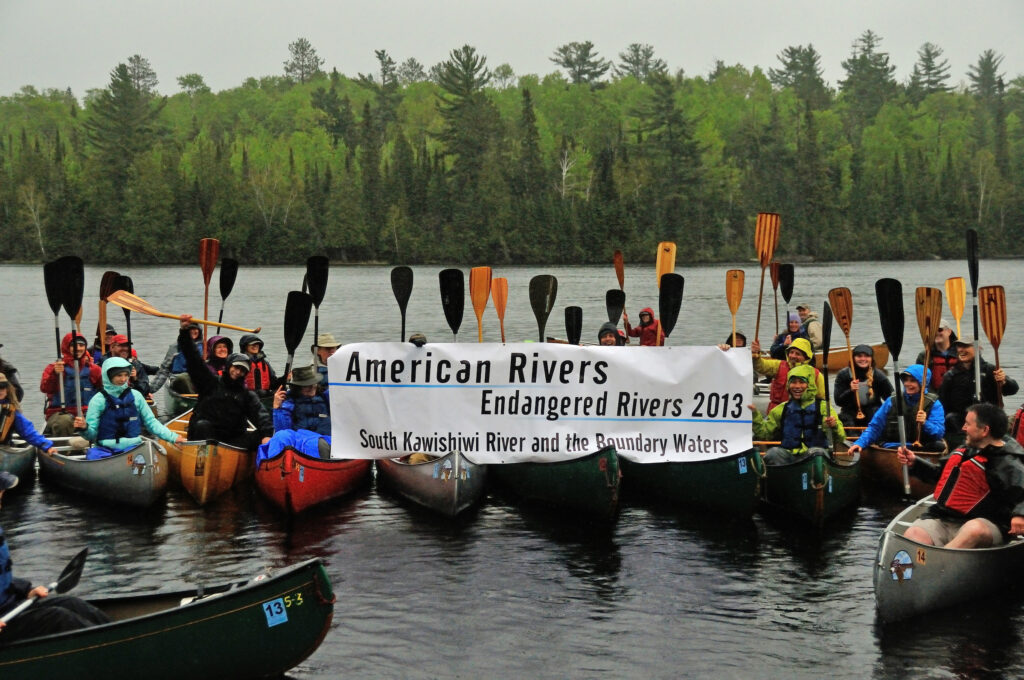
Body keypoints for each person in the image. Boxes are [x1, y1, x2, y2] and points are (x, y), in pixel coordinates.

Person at [0, 471, 110, 643]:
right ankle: (113, 649)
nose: (2, 498)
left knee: (70, 603)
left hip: (9, 606)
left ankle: (122, 637)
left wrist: (26, 589)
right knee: (59, 617)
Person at [896, 403, 1024, 548]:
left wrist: (1020, 515)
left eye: (968, 424)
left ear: (984, 430)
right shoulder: (964, 450)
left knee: (973, 530)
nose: (963, 428)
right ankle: (927, 565)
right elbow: (939, 475)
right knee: (913, 535)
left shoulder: (1008, 463)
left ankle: (943, 562)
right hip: (944, 518)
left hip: (986, 523)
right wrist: (914, 463)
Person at [178, 317, 272, 449]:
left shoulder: (246, 395)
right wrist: (184, 332)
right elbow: (193, 359)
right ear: (228, 366)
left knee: (260, 435)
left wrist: (266, 435)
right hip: (205, 439)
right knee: (202, 425)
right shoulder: (210, 383)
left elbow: (261, 415)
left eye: (242, 370)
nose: (238, 372)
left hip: (231, 442)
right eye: (236, 367)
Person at [71, 358, 180, 459]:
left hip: (134, 447)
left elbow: (151, 422)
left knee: (142, 455)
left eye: (126, 375)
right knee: (93, 456)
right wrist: (84, 428)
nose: (123, 379)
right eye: (118, 375)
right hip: (105, 449)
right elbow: (91, 435)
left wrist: (172, 437)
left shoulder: (136, 396)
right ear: (109, 376)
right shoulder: (98, 400)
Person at [750, 364, 845, 465]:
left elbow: (841, 437)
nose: (797, 386)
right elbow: (764, 433)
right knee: (773, 453)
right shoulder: (782, 409)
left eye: (801, 382)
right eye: (793, 382)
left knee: (818, 453)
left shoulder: (824, 408)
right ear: (788, 385)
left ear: (810, 385)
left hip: (816, 459)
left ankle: (817, 480)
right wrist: (755, 415)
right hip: (790, 458)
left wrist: (834, 426)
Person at [846, 365, 945, 455]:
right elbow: (875, 426)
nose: (907, 384)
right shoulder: (892, 400)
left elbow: (939, 433)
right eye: (905, 380)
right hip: (893, 447)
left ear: (922, 383)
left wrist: (925, 423)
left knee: (939, 446)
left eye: (912, 381)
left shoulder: (934, 404)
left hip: (920, 447)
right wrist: (860, 443)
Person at [938, 337, 1019, 433]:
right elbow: (942, 403)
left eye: (966, 346)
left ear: (978, 349)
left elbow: (1013, 389)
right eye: (959, 346)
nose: (961, 349)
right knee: (950, 418)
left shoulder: (990, 370)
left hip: (987, 420)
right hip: (961, 423)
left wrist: (1004, 381)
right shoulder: (951, 375)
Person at [39, 333, 102, 436]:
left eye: (81, 345)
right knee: (64, 421)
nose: (78, 348)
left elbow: (108, 387)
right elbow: (45, 388)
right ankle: (65, 450)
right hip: (60, 412)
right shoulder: (54, 367)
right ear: (67, 347)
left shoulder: (93, 369)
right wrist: (54, 374)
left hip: (87, 412)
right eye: (74, 345)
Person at [750, 336, 825, 412]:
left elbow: (822, 399)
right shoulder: (778, 366)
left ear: (806, 357)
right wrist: (756, 356)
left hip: (802, 416)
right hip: (776, 414)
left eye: (797, 354)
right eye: (791, 352)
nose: (793, 356)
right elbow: (761, 366)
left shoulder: (816, 375)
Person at [833, 344, 894, 428]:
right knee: (845, 418)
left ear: (871, 358)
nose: (863, 359)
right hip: (850, 412)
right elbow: (838, 402)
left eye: (867, 356)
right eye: (859, 356)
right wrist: (851, 391)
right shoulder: (844, 375)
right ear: (853, 358)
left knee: (876, 413)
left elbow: (891, 399)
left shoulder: (878, 376)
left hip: (873, 412)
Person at [0, 373, 56, 454]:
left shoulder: (12, 411)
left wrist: (47, 446)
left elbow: (27, 431)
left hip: (3, 448)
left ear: (7, 390)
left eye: (2, 387)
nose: (0, 390)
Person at [272, 365, 330, 435]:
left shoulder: (326, 397)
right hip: (301, 441)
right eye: (307, 386)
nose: (312, 387)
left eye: (313, 384)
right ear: (297, 388)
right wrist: (277, 408)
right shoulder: (289, 402)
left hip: (327, 441)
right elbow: (282, 431)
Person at [149, 319, 203, 394]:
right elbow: (164, 370)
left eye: (195, 329)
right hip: (178, 380)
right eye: (189, 329)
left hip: (198, 382)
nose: (192, 331)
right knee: (183, 378)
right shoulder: (175, 347)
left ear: (199, 331)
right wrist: (150, 389)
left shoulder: (205, 347)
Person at [915, 318, 958, 391]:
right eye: (933, 330)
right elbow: (919, 379)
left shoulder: (960, 353)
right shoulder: (924, 356)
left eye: (940, 330)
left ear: (949, 332)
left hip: (957, 396)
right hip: (934, 397)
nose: (936, 333)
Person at [239, 334, 277, 400]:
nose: (255, 346)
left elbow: (274, 382)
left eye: (257, 344)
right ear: (245, 346)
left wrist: (285, 378)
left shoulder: (265, 363)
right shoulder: (240, 362)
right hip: (246, 397)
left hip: (264, 396)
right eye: (252, 344)